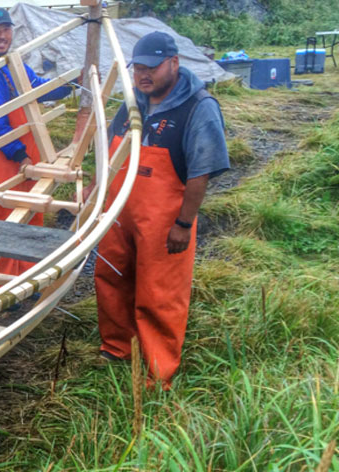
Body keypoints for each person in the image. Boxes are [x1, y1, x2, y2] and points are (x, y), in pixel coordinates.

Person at [94, 32, 229, 388]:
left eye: (151, 68)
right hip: (120, 209)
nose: (143, 75)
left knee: (159, 292)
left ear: (174, 63)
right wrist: (97, 196)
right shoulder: (133, 100)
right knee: (111, 276)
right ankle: (117, 346)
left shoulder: (198, 107)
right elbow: (110, 148)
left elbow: (201, 171)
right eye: (138, 68)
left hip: (164, 217)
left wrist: (183, 223)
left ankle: (157, 371)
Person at [0, 8, 73, 278]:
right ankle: (2, 288)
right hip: (0, 157)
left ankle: (27, 279)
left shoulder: (12, 64)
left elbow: (37, 86)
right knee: (4, 219)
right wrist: (19, 155)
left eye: (6, 29)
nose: (2, 36)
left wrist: (71, 84)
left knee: (30, 215)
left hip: (23, 156)